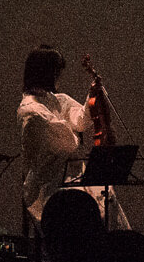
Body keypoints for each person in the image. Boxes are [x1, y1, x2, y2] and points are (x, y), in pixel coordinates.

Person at [17, 44, 125, 228]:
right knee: (88, 209)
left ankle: (112, 244)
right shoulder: (30, 110)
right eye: (56, 72)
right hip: (49, 182)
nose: (58, 77)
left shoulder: (56, 99)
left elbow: (80, 121)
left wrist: (93, 96)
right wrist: (74, 133)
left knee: (107, 198)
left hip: (72, 175)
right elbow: (67, 143)